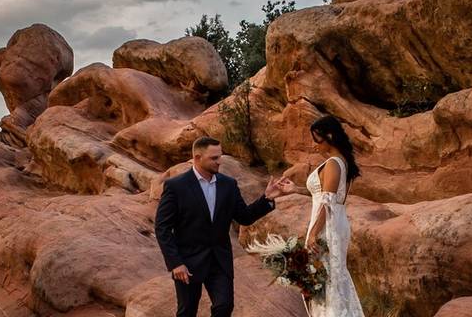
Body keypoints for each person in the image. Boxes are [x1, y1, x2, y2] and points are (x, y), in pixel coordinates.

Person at [155, 136, 288, 317]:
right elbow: (162, 228)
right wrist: (176, 263)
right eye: (214, 158)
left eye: (220, 157)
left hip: (220, 261)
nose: (219, 162)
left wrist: (267, 199)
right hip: (188, 262)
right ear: (197, 158)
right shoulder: (176, 186)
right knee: (187, 312)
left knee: (224, 307)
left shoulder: (228, 184)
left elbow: (244, 217)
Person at [279, 115, 364, 316]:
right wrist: (295, 189)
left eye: (317, 139)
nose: (313, 144)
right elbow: (321, 195)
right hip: (333, 223)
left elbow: (328, 203)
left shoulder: (334, 163)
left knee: (327, 278)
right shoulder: (339, 161)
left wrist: (312, 234)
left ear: (330, 136)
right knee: (329, 277)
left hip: (328, 226)